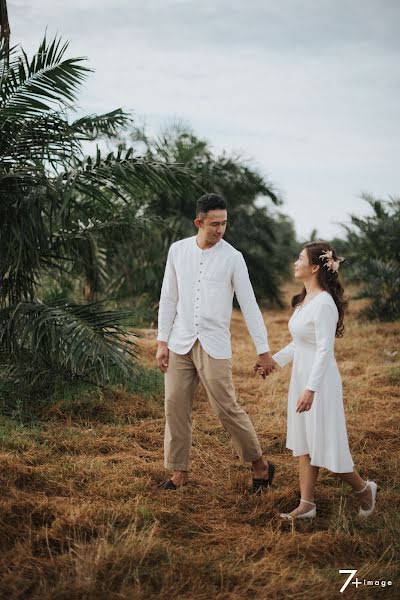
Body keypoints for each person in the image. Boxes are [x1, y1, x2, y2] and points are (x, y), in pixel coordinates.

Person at [156, 193, 276, 491]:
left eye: (224, 223)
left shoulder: (233, 257)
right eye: (214, 224)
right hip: (180, 342)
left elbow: (249, 304)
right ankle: (179, 472)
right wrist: (162, 342)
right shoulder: (177, 251)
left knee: (226, 407)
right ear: (199, 222)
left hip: (214, 345)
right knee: (174, 405)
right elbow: (168, 297)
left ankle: (260, 466)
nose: (220, 229)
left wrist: (263, 351)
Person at [258, 241, 377, 519]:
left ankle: (364, 489)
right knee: (305, 443)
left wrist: (311, 389)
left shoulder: (324, 303)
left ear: (314, 267)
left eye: (300, 258)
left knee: (327, 445)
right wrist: (274, 361)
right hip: (302, 376)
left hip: (319, 382)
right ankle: (307, 505)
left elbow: (324, 349)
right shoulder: (304, 301)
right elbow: (300, 342)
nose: (295, 263)